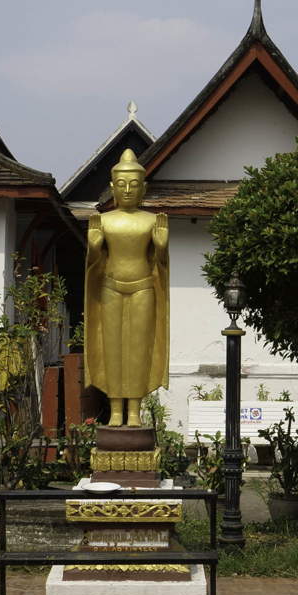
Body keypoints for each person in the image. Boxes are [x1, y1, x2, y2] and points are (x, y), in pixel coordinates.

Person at [84, 148, 169, 427]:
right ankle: (115, 410)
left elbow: (159, 264)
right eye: (122, 185)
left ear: (144, 187)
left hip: (143, 287)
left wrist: (161, 246)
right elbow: (94, 265)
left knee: (138, 348)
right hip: (110, 287)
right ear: (112, 188)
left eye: (134, 185)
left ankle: (134, 410)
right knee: (112, 348)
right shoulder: (104, 221)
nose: (128, 190)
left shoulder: (151, 220)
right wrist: (94, 247)